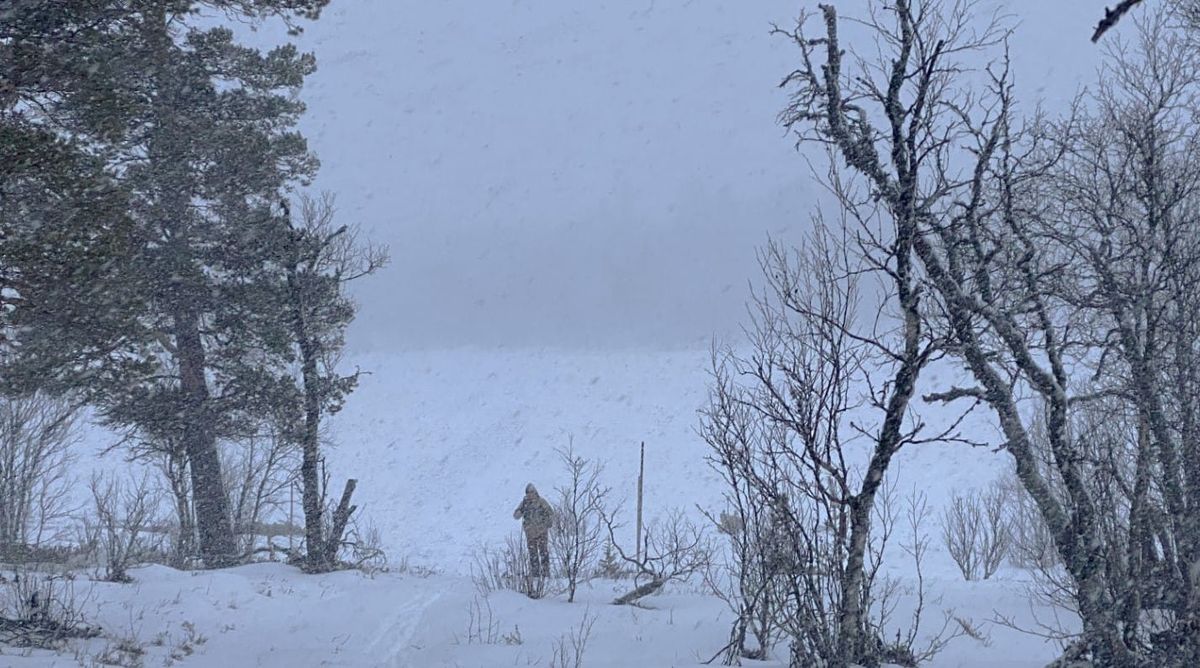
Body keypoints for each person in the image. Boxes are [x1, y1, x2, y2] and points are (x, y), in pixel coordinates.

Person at [512, 483, 554, 577]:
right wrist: (520, 512)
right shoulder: (524, 503)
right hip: (530, 534)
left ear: (535, 492)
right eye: (528, 493)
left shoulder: (541, 502)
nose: (530, 495)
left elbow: (550, 513)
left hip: (542, 532)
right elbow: (516, 515)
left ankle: (546, 574)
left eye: (531, 492)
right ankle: (535, 575)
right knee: (533, 555)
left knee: (544, 552)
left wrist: (547, 523)